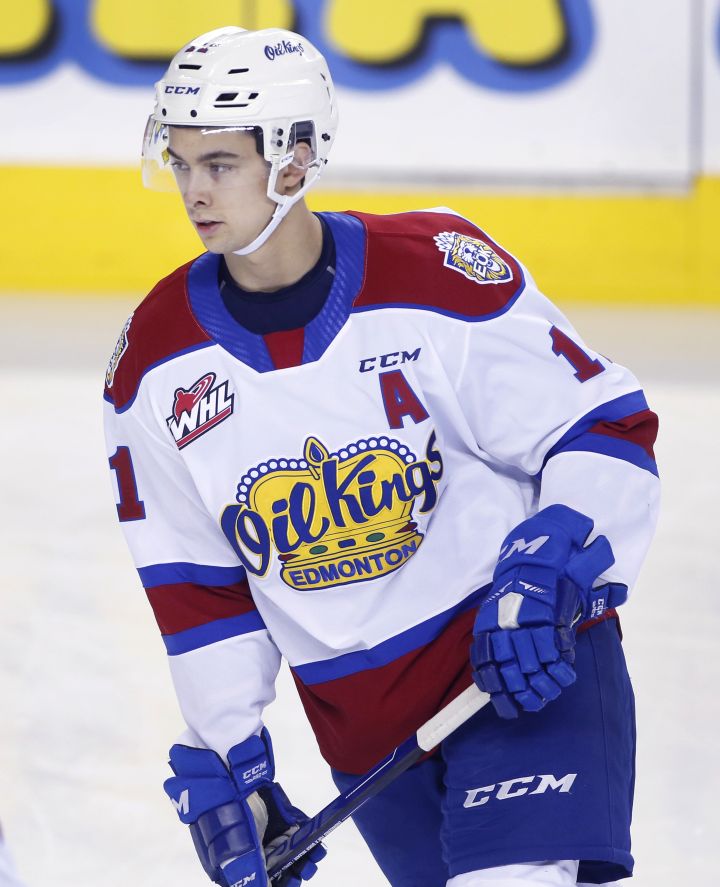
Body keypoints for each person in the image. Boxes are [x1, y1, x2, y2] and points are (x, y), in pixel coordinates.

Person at [103, 25, 660, 887]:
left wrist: (549, 564)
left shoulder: (433, 275)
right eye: (179, 164)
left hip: (518, 667)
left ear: (293, 161)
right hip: (367, 735)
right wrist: (228, 758)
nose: (192, 191)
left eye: (217, 164)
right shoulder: (154, 363)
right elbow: (196, 585)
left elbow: (602, 425)